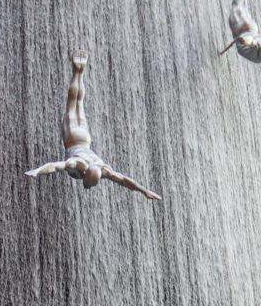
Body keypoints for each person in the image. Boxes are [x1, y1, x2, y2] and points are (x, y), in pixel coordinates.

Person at [26, 50, 161, 200]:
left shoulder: (101, 169)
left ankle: (79, 73)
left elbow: (125, 180)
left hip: (85, 139)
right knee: (73, 104)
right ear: (85, 174)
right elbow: (55, 166)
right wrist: (37, 171)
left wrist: (144, 191)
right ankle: (78, 72)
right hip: (72, 137)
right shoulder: (78, 164)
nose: (88, 186)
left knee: (78, 103)